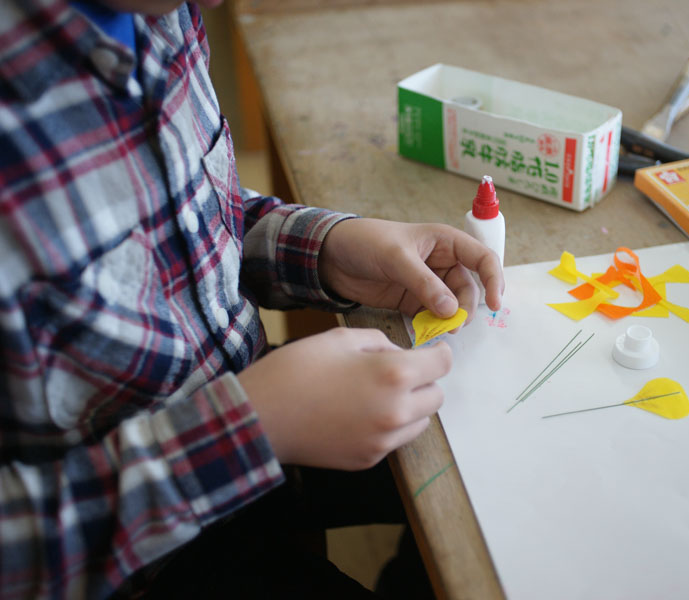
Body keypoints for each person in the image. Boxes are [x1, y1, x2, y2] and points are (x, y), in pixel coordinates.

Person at [0, 0, 504, 597]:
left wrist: (328, 249)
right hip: (134, 561)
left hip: (265, 433)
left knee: (496, 471)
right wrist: (250, 430)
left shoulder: (160, 11)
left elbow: (177, 216)